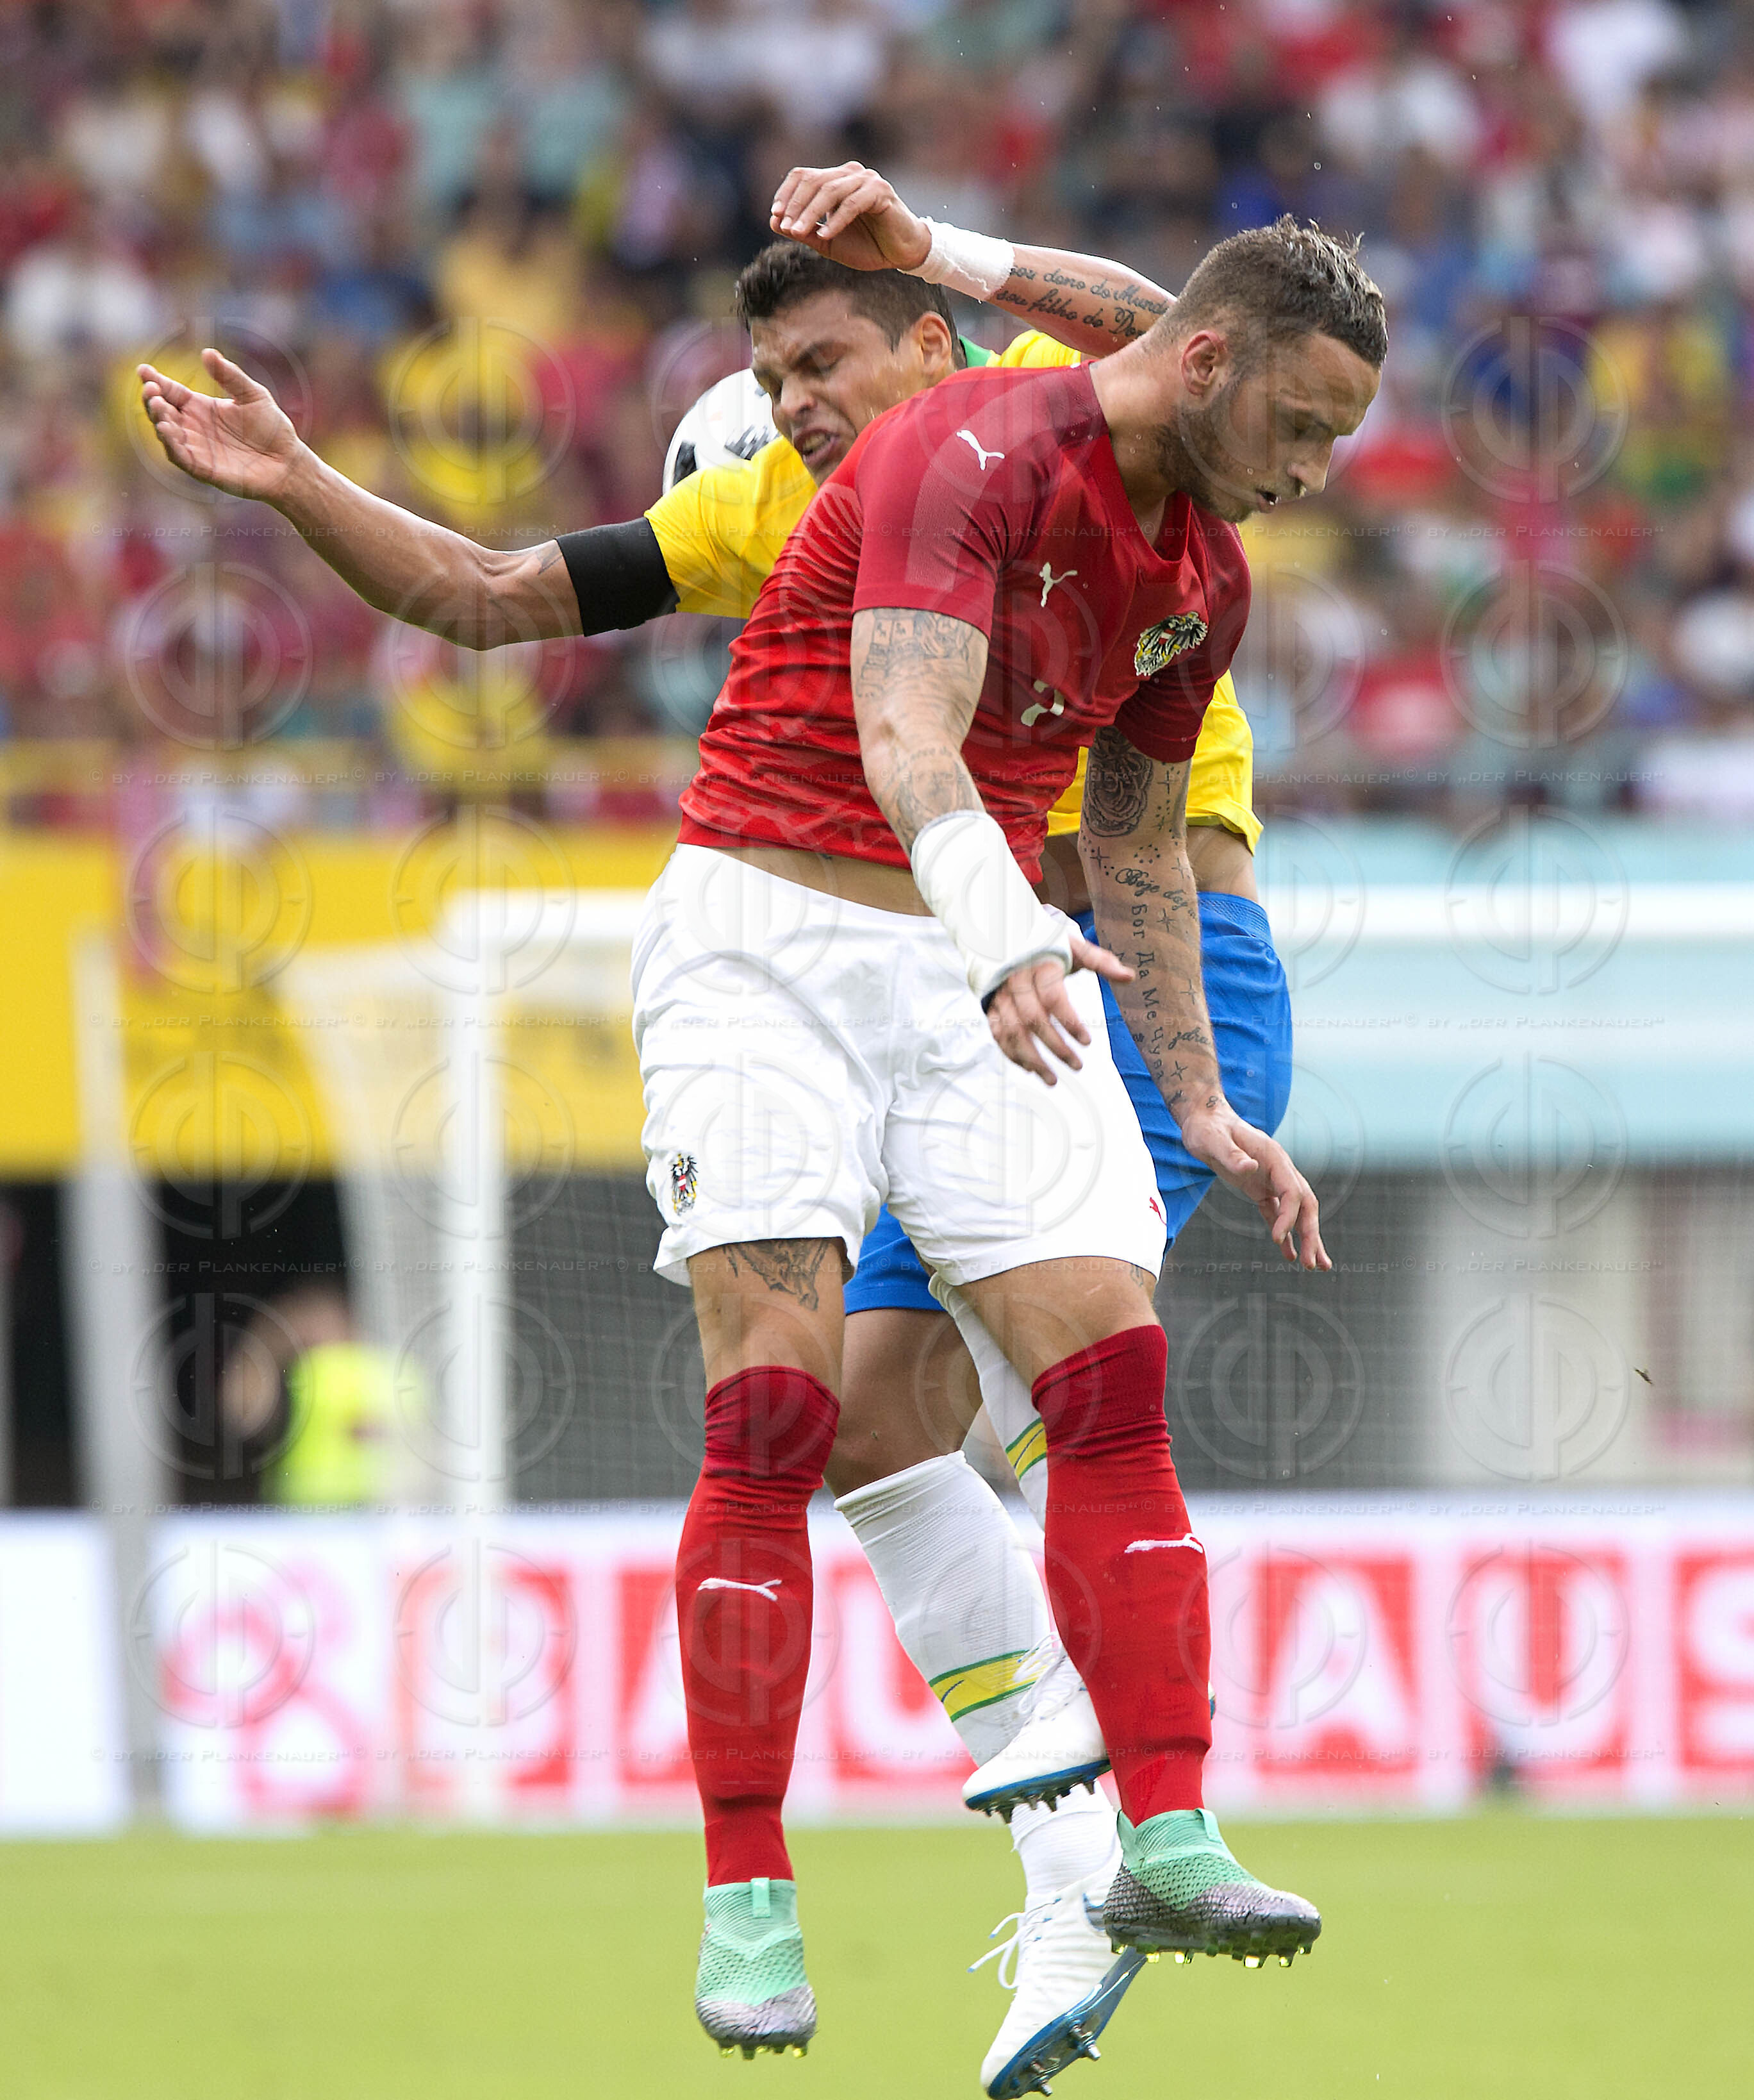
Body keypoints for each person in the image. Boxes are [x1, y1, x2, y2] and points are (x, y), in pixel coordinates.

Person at [131, 177, 1320, 2088]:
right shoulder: (770, 495)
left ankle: (1107, 1827)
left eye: (824, 367)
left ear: (930, 346)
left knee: (1023, 1391)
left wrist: (941, 243)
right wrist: (297, 485)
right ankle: (1066, 1844)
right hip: (920, 947)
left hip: (1110, 945)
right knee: (844, 1418)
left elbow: (1167, 324)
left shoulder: (1050, 406)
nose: (796, 418)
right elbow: (495, 591)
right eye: (768, 387)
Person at [634, 211, 1382, 2059]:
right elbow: (906, 743)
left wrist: (1197, 1093)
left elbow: (1128, 835)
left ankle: (1150, 1826)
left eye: (1339, 442)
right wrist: (294, 480)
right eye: (1305, 428)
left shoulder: (1197, 558)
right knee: (814, 1407)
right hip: (821, 934)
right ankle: (777, 1883)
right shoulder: (951, 451)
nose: (1314, 477)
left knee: (1099, 1374)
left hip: (1037, 952)